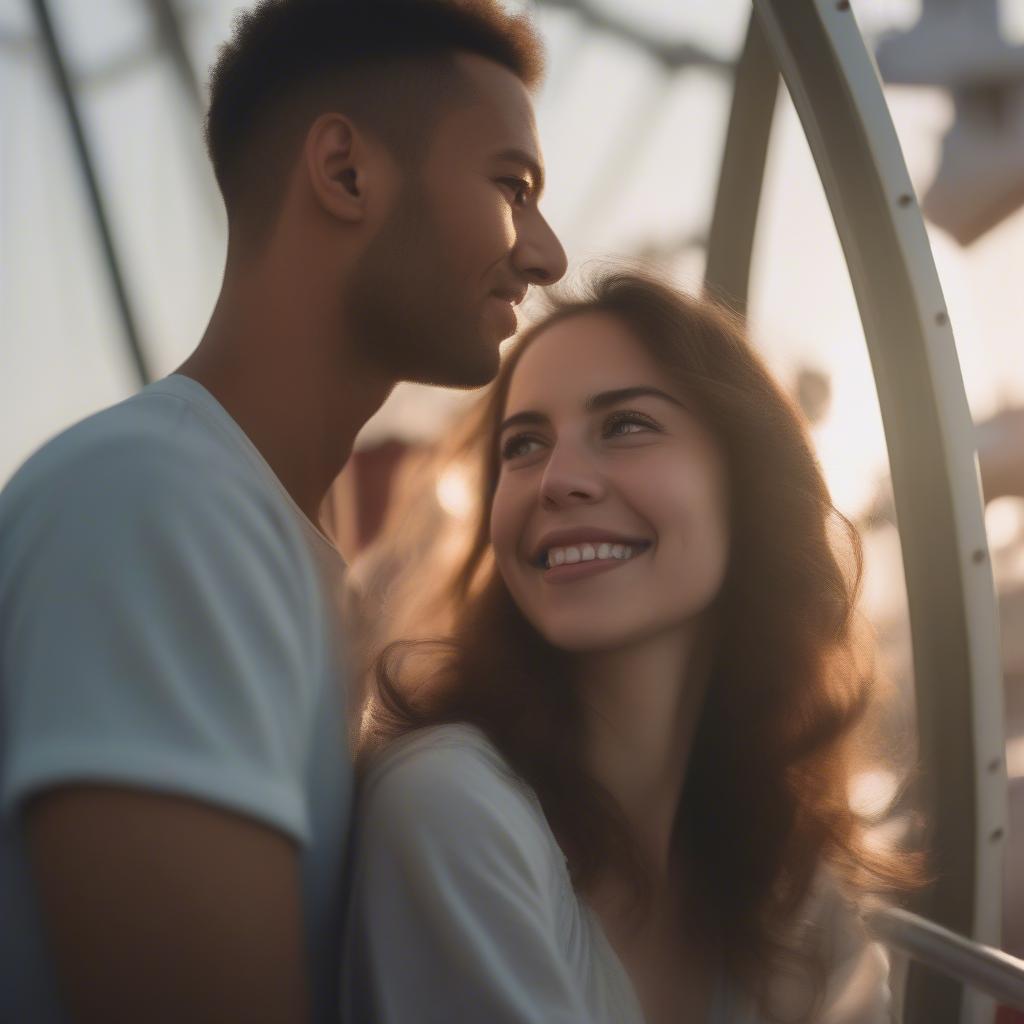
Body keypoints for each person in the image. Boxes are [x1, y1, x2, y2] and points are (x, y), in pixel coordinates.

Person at [0, 0, 566, 1020]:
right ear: (345, 172)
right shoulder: (159, 511)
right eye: (511, 187)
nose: (547, 253)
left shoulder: (275, 546)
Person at [345, 271, 920, 1023]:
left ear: (747, 483)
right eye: (523, 445)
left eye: (625, 426)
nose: (557, 480)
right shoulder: (451, 807)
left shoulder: (793, 888)